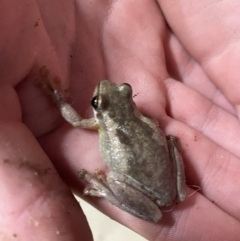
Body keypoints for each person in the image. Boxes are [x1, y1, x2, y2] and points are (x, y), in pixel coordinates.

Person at [1, 1, 240, 240]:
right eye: (99, 103)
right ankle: (117, 188)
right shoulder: (141, 119)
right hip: (164, 179)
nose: (110, 88)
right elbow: (155, 132)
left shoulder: (98, 124)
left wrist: (59, 100)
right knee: (166, 145)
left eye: (124, 90)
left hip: (149, 182)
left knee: (114, 177)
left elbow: (75, 121)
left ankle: (107, 190)